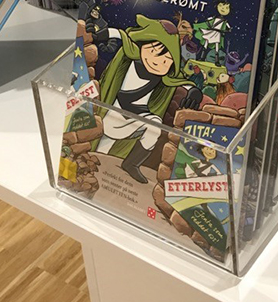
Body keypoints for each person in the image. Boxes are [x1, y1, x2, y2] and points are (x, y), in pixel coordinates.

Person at [87, 14, 203, 183]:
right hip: (114, 113)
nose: (159, 62)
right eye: (154, 52)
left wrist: (194, 92)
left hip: (139, 117)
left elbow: (183, 82)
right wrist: (99, 35)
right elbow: (121, 35)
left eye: (167, 60)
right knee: (101, 151)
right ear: (143, 45)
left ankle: (132, 164)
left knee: (154, 126)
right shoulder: (132, 55)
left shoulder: (166, 76)